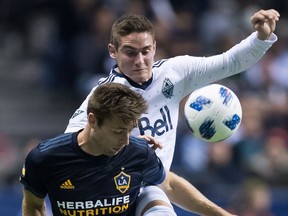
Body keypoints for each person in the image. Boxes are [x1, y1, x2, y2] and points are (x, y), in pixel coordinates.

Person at [65, 9, 280, 215]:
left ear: (155, 47)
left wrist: (260, 38)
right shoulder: (103, 96)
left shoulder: (174, 72)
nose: (140, 61)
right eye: (130, 52)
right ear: (113, 51)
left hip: (152, 186)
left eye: (146, 51)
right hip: (108, 193)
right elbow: (70, 143)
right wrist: (124, 145)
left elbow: (229, 62)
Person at [20, 83, 234, 216]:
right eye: (118, 132)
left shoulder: (137, 152)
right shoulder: (45, 158)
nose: (125, 140)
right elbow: (34, 206)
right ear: (93, 121)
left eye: (130, 131)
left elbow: (170, 185)